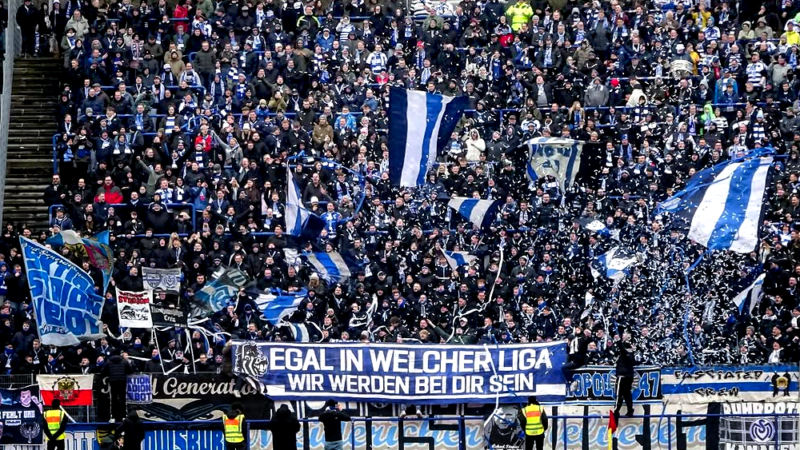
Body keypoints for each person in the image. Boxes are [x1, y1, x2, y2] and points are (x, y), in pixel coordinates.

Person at [101, 349, 133, 422]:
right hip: (122, 381)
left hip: (113, 382)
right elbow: (130, 371)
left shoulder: (109, 361)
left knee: (113, 400)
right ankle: (124, 416)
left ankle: (113, 417)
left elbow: (102, 371)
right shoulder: (124, 361)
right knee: (123, 399)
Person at [614, 332, 636, 418]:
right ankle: (630, 410)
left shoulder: (625, 352)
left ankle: (616, 410)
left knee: (619, 393)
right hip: (629, 375)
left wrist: (618, 341)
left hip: (622, 375)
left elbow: (622, 349)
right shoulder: (632, 353)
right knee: (627, 393)